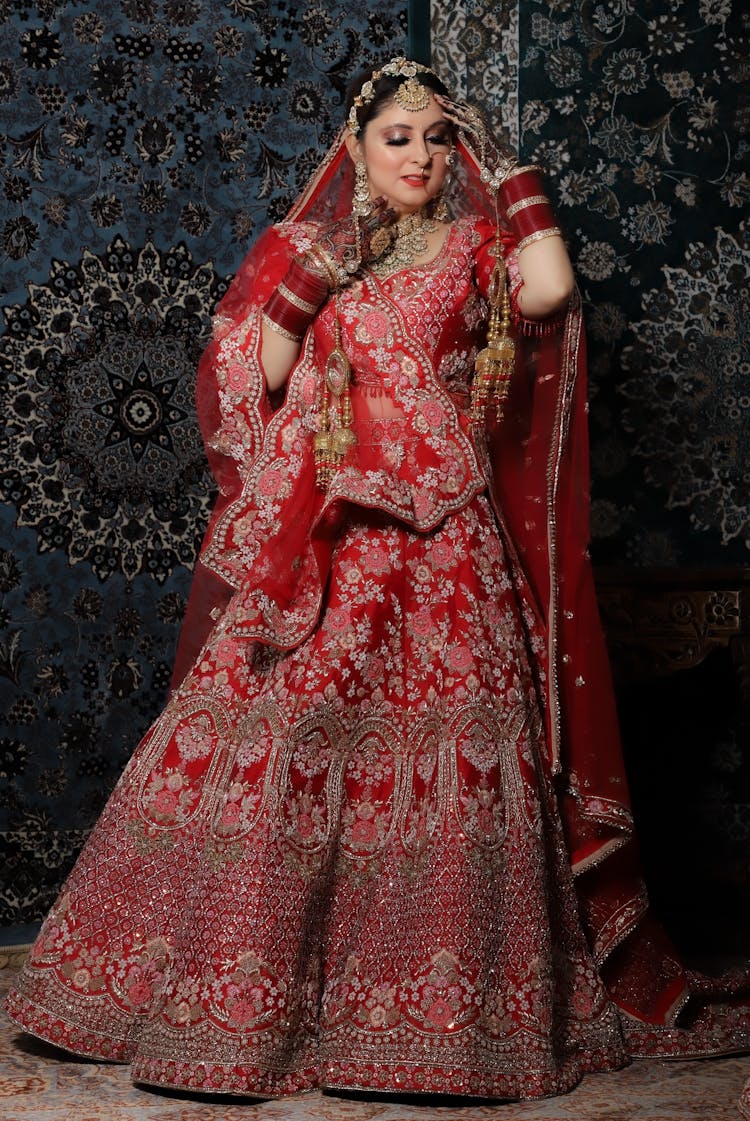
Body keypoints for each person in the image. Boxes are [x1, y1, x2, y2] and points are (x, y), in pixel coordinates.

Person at [6, 57, 749, 1101]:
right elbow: (250, 379)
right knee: (281, 737)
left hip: (447, 545)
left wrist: (512, 168)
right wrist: (316, 288)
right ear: (356, 149)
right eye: (398, 137)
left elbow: (553, 287)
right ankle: (227, 1005)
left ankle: (436, 1022)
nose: (420, 156)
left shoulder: (484, 245)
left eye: (439, 139)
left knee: (456, 756)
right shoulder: (319, 252)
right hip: (335, 540)